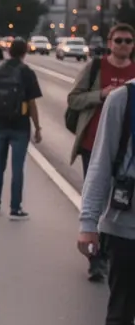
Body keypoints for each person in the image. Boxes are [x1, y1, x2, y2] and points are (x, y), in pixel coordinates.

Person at [77, 77, 135, 325]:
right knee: (119, 317)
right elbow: (99, 164)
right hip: (125, 226)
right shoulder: (123, 100)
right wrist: (88, 223)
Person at [67, 23, 135, 281]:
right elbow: (74, 99)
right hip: (93, 145)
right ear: (110, 42)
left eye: (128, 41)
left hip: (125, 155)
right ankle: (96, 259)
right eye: (119, 40)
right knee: (97, 198)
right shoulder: (96, 68)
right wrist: (100, 95)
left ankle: (109, 253)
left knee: (119, 206)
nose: (123, 45)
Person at [0, 37, 42, 219]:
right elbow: (32, 103)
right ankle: (15, 208)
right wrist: (37, 127)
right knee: (17, 167)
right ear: (24, 52)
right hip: (20, 126)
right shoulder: (26, 72)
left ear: (9, 51)